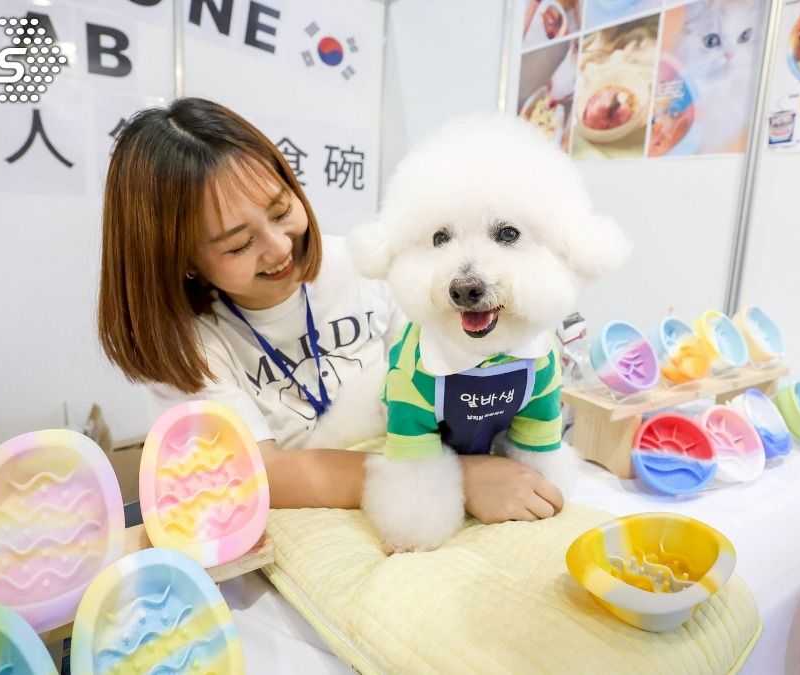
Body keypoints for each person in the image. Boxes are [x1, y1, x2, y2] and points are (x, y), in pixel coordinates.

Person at [97, 97, 565, 522]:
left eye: (282, 211)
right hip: (309, 521)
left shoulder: (365, 266)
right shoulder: (185, 344)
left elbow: (432, 382)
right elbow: (256, 472)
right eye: (238, 245)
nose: (280, 248)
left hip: (421, 470)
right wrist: (457, 477)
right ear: (183, 262)